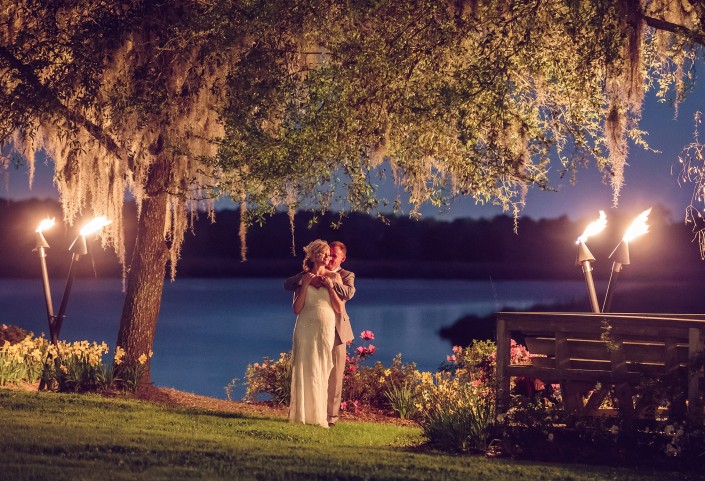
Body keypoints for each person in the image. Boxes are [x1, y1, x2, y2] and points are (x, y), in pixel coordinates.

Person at [285, 240, 355, 426]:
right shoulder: (304, 276)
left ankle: (329, 418)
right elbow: (290, 288)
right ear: (315, 255)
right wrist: (305, 281)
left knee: (331, 373)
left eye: (333, 255)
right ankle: (304, 412)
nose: (329, 257)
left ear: (342, 258)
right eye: (326, 253)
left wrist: (330, 285)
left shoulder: (344, 276)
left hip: (334, 329)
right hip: (306, 327)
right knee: (305, 368)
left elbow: (347, 296)